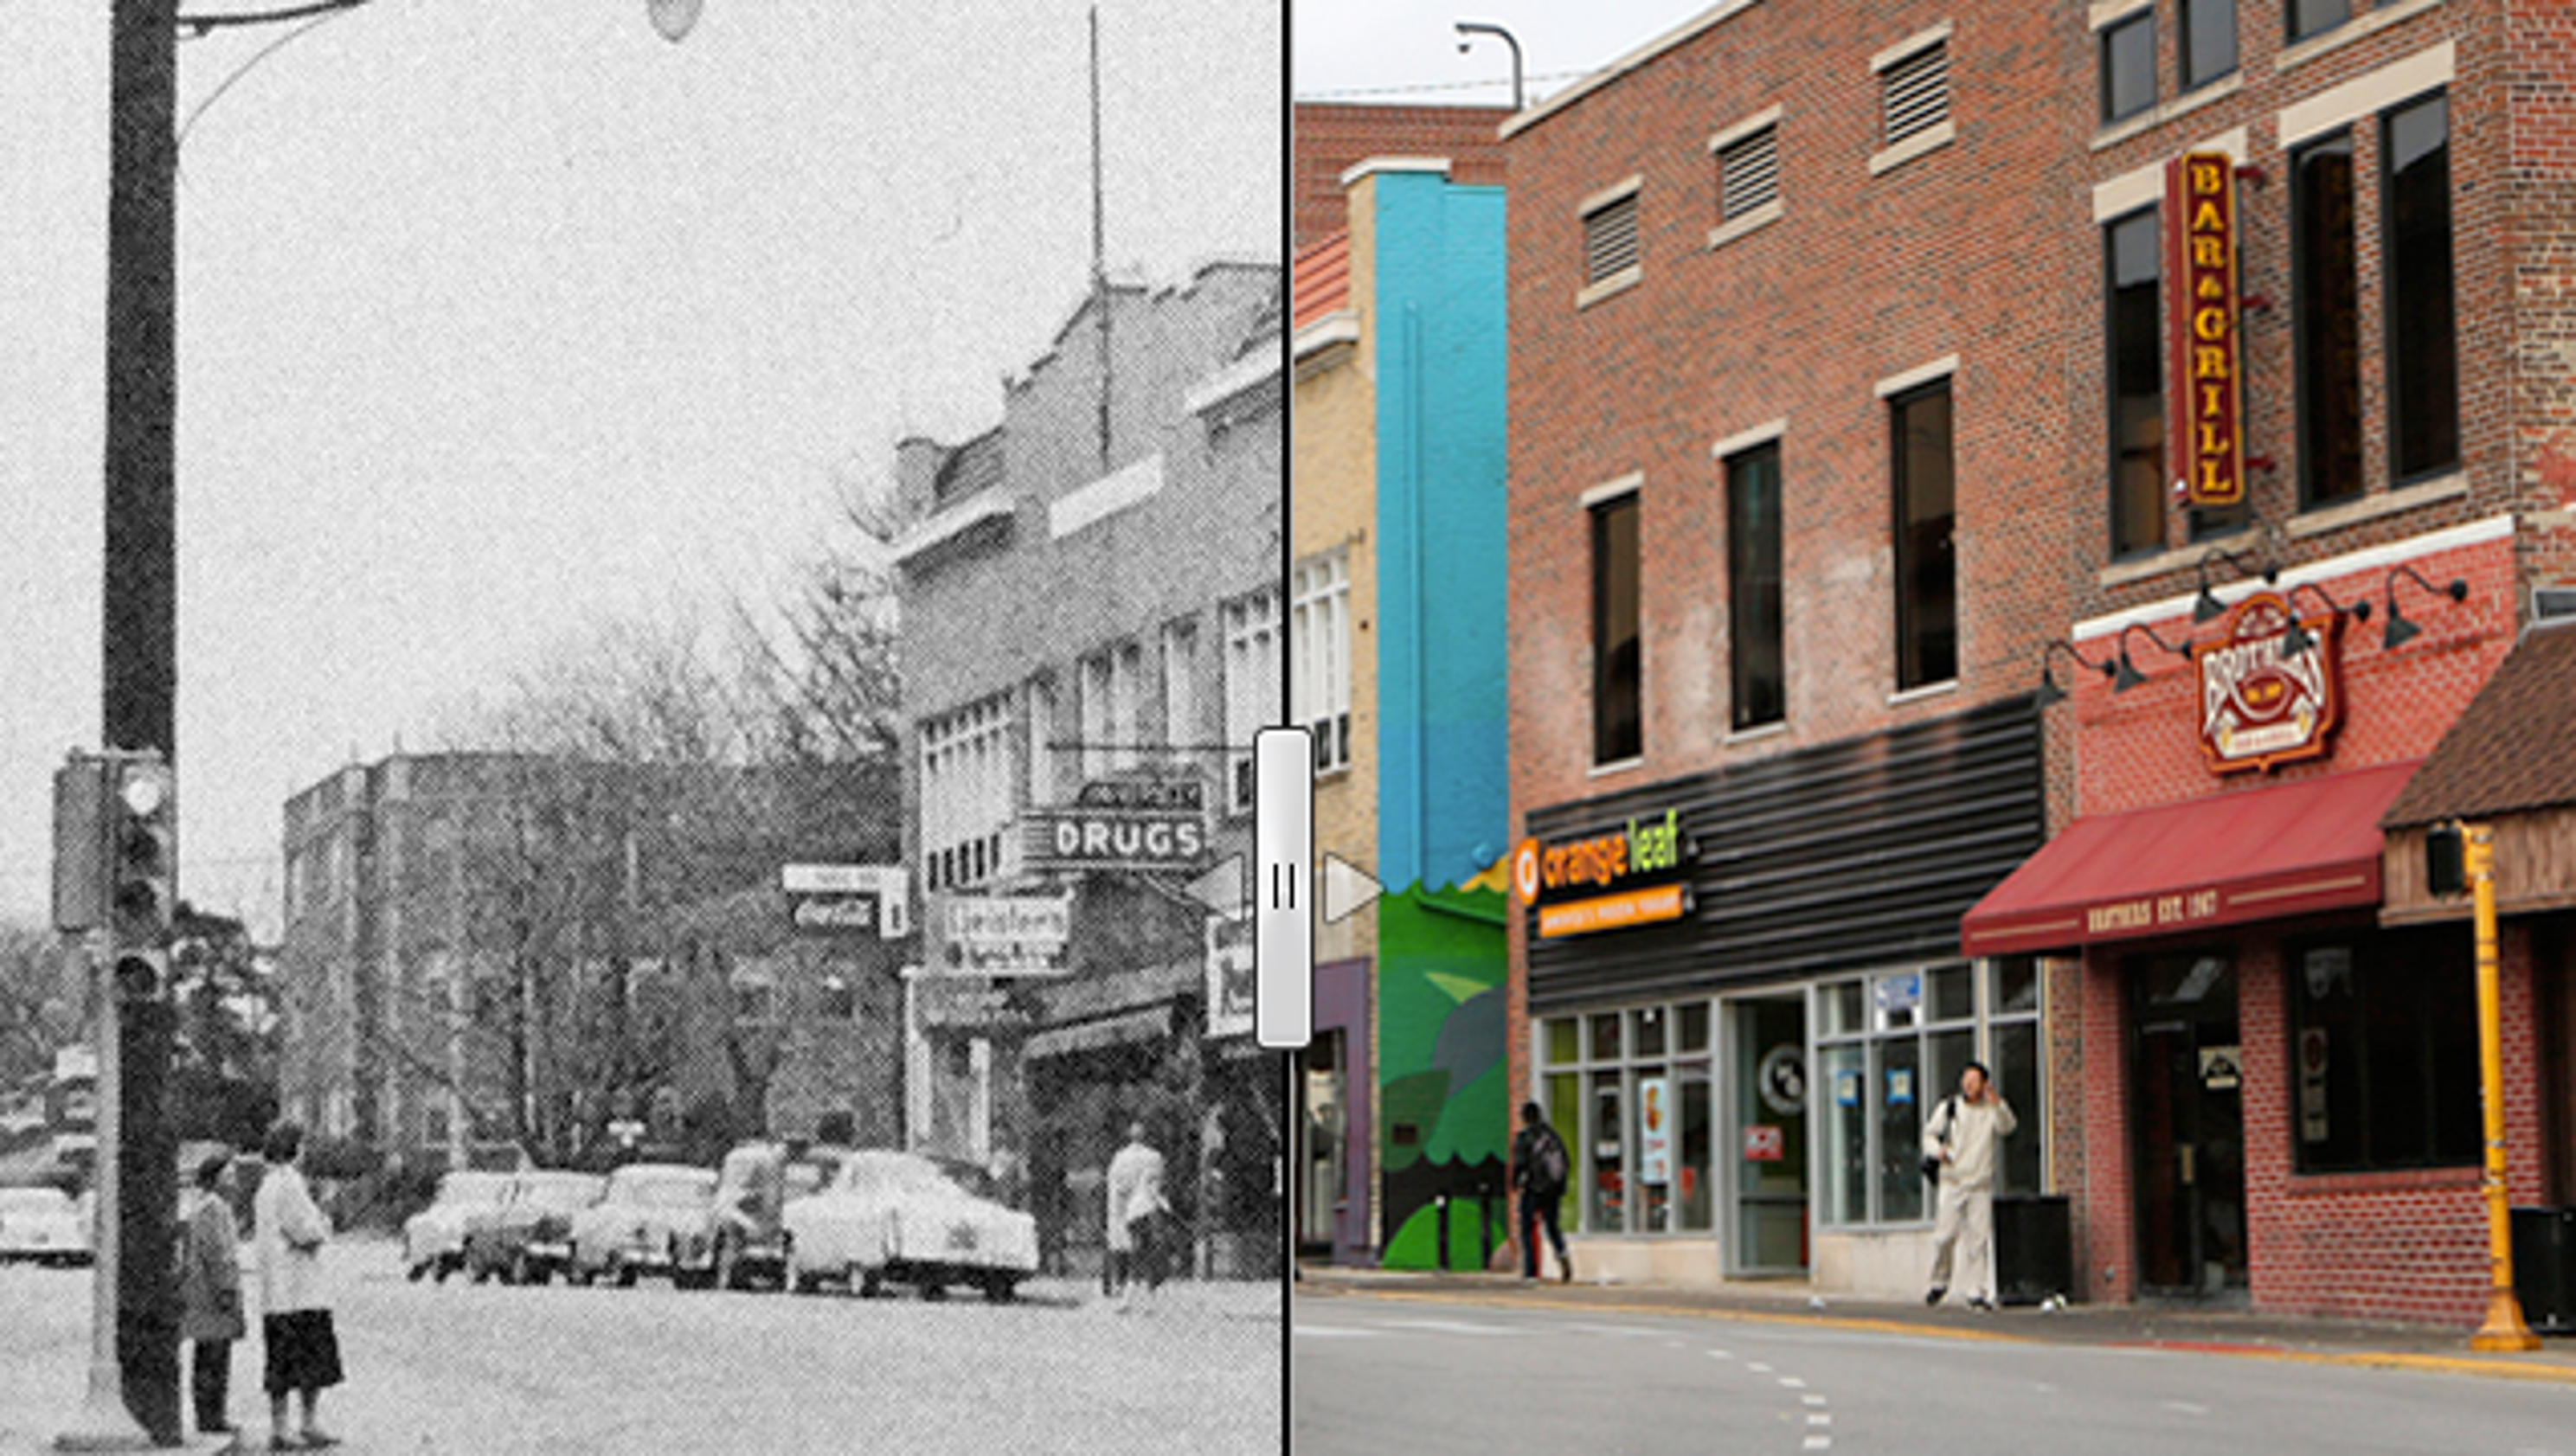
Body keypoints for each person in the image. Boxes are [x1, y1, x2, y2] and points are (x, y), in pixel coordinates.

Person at [254, 1122, 344, 1450]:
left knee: (280, 1362)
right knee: (310, 1360)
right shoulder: (289, 1183)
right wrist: (325, 1217)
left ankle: (281, 1424)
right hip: (299, 1288)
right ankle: (305, 1422)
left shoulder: (266, 1186)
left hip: (277, 1290)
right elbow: (306, 1231)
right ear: (294, 1148)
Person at [1923, 1061, 2017, 1312]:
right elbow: (1929, 1135)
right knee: (1944, 1236)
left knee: (1978, 1240)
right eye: (1966, 1079)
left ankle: (1976, 1291)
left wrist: (1998, 1103)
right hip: (1952, 1180)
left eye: (1974, 1081)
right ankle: (1939, 1281)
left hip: (1979, 1184)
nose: (1968, 1085)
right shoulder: (1950, 1107)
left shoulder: (1991, 1111)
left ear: (1984, 1084)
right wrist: (1938, 1151)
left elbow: (2007, 1126)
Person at [179, 1151, 246, 1437]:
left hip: (208, 1291)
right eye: (227, 1176)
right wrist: (226, 1289)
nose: (233, 1181)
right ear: (214, 1179)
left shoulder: (210, 1206)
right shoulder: (213, 1209)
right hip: (212, 1294)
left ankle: (213, 1414)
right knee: (213, 1357)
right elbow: (217, 1253)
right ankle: (210, 1416)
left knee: (212, 1355)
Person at [1103, 1121, 1170, 1312]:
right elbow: (1156, 1188)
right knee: (1146, 1258)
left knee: (1138, 1257)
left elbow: (1116, 1189)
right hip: (1148, 1212)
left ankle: (1128, 1298)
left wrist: (1116, 1215)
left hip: (1131, 1212)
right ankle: (1144, 1302)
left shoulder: (1120, 1158)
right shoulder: (1154, 1158)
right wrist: (1165, 1207)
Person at [1510, 1101, 1572, 1283]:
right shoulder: (1552, 1136)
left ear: (1525, 1118)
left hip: (1533, 1188)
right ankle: (1562, 1252)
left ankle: (1531, 1272)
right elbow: (1566, 1160)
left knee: (1528, 1228)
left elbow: (1520, 1164)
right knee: (1552, 1226)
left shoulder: (1525, 1138)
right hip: (1553, 1189)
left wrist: (1515, 1183)